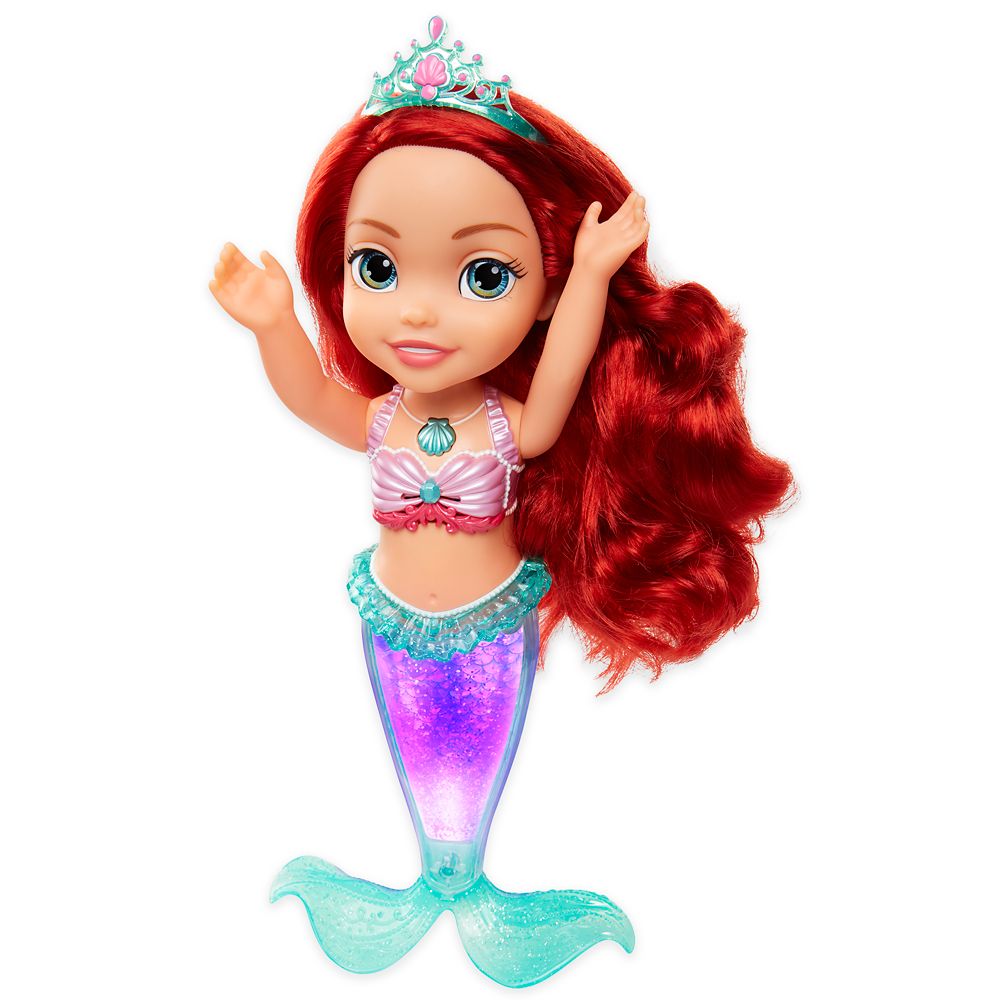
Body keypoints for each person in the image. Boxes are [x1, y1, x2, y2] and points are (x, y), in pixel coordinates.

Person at [209, 15, 791, 989]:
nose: (417, 310)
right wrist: (272, 324)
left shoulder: (506, 424)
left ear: (540, 289)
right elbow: (311, 397)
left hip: (489, 623)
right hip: (389, 618)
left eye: (484, 275)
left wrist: (595, 272)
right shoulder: (382, 417)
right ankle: (433, 883)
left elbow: (559, 381)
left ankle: (466, 881)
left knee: (471, 765)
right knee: (414, 757)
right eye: (376, 267)